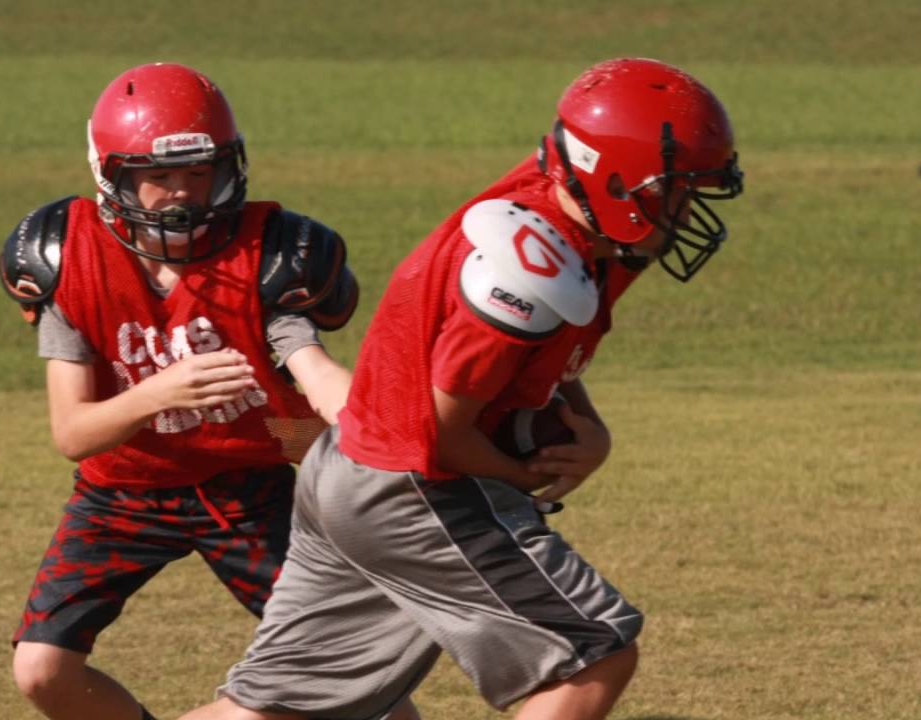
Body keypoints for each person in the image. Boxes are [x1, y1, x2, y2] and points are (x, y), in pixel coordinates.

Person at [179, 57, 744, 720]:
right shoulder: (524, 272)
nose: (684, 210)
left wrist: (588, 433)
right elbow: (443, 432)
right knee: (592, 657)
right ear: (615, 180)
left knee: (271, 712)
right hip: (410, 485)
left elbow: (545, 357)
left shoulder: (573, 208)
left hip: (350, 466)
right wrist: (520, 474)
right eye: (674, 189)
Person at [0, 63, 382, 720]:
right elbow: (72, 433)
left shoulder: (266, 257)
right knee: (41, 669)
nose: (182, 194)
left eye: (199, 173)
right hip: (123, 491)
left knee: (361, 674)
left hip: (248, 482)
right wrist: (160, 391)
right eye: (159, 176)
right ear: (111, 175)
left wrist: (379, 429)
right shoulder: (67, 257)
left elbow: (316, 375)